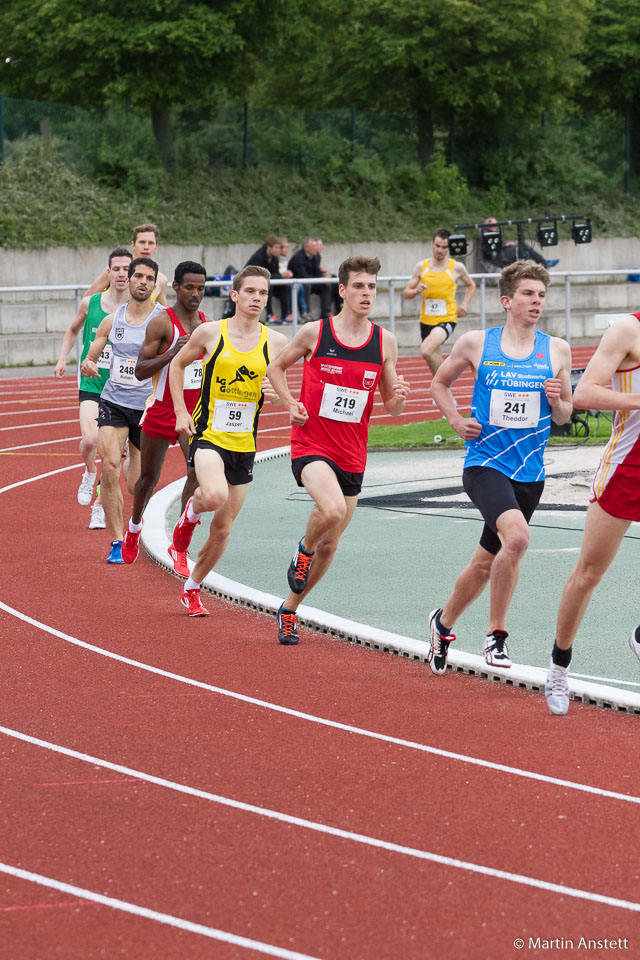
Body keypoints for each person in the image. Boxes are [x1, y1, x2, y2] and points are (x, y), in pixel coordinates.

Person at [429, 260, 572, 674]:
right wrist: (456, 420)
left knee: (482, 564)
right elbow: (439, 383)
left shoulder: (556, 349)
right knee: (519, 539)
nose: (536, 302)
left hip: (529, 473)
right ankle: (497, 636)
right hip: (485, 465)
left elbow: (563, 415)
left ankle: (443, 623)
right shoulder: (477, 343)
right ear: (507, 300)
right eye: (528, 294)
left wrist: (556, 400)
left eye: (542, 295)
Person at [266, 256, 411, 645]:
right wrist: (290, 402)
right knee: (330, 510)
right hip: (311, 444)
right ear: (343, 290)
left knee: (332, 544)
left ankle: (290, 610)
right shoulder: (316, 333)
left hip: (352, 453)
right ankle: (302, 549)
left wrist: (398, 398)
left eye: (372, 287)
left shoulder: (385, 342)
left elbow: (390, 405)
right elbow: (275, 368)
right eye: (359, 286)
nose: (367, 294)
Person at [168, 265, 288, 616]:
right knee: (215, 494)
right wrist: (180, 412)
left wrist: (278, 395)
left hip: (245, 444)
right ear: (234, 295)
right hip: (208, 435)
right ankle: (189, 514)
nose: (257, 298)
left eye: (263, 293)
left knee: (222, 530)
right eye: (250, 291)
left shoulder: (276, 342)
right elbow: (177, 366)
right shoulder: (210, 333)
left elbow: (282, 386)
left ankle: (191, 589)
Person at [545, 313, 640, 714]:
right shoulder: (628, 330)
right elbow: (583, 394)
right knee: (589, 573)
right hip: (627, 468)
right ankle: (559, 666)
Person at [120, 261, 209, 574]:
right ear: (176, 287)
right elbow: (140, 370)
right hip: (162, 409)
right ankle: (133, 527)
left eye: (200, 288)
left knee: (197, 474)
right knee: (148, 479)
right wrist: (174, 353)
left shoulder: (208, 327)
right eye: (189, 287)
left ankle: (180, 542)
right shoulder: (162, 323)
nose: (195, 294)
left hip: (193, 414)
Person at [80, 258, 164, 563]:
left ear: (155, 285)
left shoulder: (162, 321)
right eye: (137, 276)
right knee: (111, 467)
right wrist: (88, 364)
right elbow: (92, 356)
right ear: (128, 280)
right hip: (113, 402)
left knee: (137, 483)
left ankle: (134, 527)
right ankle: (117, 542)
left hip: (147, 408)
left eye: (148, 278)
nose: (142, 281)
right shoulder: (111, 320)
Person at [54, 246, 132, 528]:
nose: (122, 274)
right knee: (90, 441)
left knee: (113, 453)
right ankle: (88, 471)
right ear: (108, 272)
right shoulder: (91, 303)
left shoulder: (135, 309)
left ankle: (100, 506)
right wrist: (63, 358)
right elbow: (73, 329)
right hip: (91, 382)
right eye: (117, 269)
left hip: (122, 388)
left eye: (127, 269)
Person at [403, 228, 476, 375]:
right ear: (432, 244)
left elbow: (471, 285)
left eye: (444, 247)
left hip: (447, 318)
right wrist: (416, 290)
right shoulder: (421, 267)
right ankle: (442, 392)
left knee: (425, 350)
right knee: (434, 356)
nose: (440, 250)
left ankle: (440, 386)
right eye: (437, 246)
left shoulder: (456, 267)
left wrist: (464, 304)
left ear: (448, 248)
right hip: (426, 320)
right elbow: (406, 293)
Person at [85, 223, 168, 305]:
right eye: (142, 242)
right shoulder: (116, 270)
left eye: (150, 243)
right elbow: (87, 299)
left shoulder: (161, 280)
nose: (146, 247)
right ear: (133, 245)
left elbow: (165, 314)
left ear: (156, 247)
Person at [288, 238, 340, 322]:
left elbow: (317, 272)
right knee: (306, 284)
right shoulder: (298, 258)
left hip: (311, 281)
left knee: (327, 284)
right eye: (313, 246)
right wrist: (320, 278)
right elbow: (302, 276)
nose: (316, 248)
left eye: (316, 246)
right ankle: (306, 313)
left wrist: (325, 277)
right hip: (299, 283)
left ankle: (325, 312)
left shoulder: (316, 256)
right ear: (306, 248)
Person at [481, 217, 559, 270]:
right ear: (488, 226)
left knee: (526, 253)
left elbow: (503, 242)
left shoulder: (496, 233)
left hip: (506, 252)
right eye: (492, 225)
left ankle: (542, 264)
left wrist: (508, 244)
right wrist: (504, 245)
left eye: (495, 225)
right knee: (522, 246)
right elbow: (490, 247)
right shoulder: (485, 233)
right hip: (499, 256)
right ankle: (544, 262)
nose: (495, 227)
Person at [245, 235, 291, 323]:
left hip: (267, 281)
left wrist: (282, 276)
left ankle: (286, 314)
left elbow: (275, 273)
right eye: (276, 247)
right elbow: (261, 275)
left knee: (284, 286)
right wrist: (281, 276)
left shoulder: (274, 258)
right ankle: (270, 315)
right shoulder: (258, 256)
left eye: (279, 247)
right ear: (269, 247)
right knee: (267, 288)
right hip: (253, 282)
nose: (278, 250)